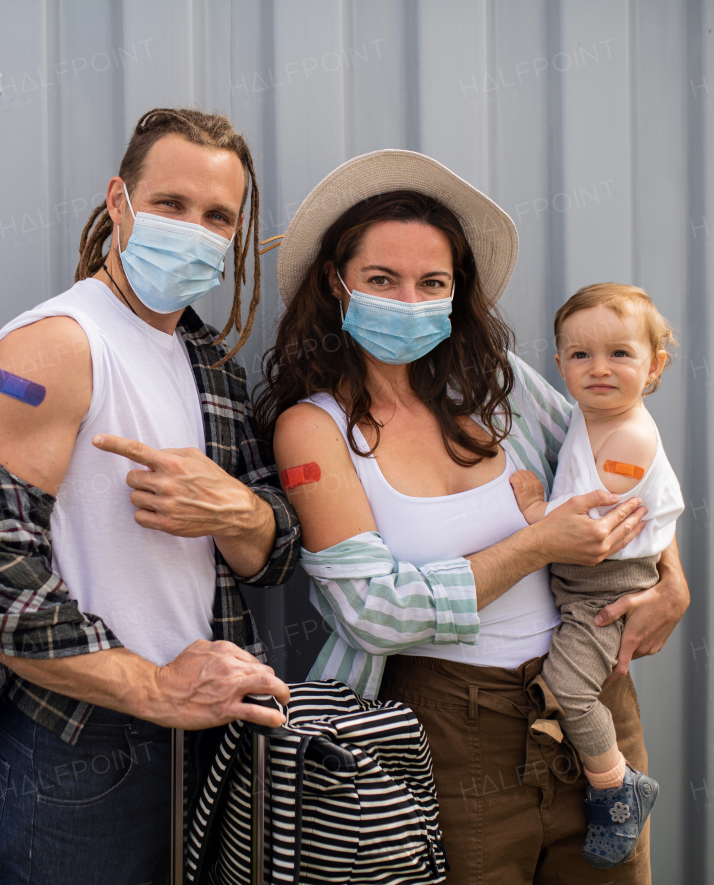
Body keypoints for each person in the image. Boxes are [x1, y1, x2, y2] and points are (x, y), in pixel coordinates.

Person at [254, 149, 690, 884]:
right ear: (336, 283)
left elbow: (618, 458)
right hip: (447, 732)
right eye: (381, 280)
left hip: (590, 709)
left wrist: (671, 576)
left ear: (457, 291)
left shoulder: (498, 382)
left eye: (433, 282)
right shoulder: (313, 429)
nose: (410, 300)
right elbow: (371, 614)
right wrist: (538, 542)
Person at [0, 107, 299, 885]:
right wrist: (155, 686)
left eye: (217, 216)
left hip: (204, 729)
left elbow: (273, 551)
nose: (195, 229)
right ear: (118, 202)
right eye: (171, 204)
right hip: (83, 739)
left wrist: (237, 510)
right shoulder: (58, 343)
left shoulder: (209, 362)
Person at [509, 283, 684, 868]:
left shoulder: (628, 437)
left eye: (620, 354)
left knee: (569, 688)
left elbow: (592, 528)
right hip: (583, 586)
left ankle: (616, 788)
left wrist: (534, 512)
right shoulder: (593, 418)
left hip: (602, 589)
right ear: (559, 364)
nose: (598, 369)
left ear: (654, 365)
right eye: (580, 355)